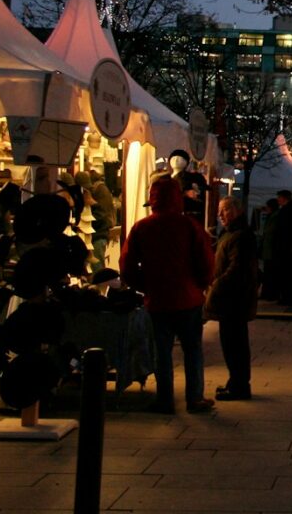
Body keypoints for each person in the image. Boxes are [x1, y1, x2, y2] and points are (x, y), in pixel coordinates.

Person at [122, 177, 217, 414]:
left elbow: (127, 265)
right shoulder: (189, 226)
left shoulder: (142, 227)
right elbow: (206, 261)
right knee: (192, 350)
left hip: (158, 299)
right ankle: (194, 398)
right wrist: (201, 285)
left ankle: (165, 400)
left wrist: (143, 286)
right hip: (188, 298)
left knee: (161, 352)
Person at [205, 196, 260, 401]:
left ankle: (239, 385)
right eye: (220, 211)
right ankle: (236, 382)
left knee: (234, 344)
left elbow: (236, 269)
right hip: (231, 299)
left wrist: (217, 286)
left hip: (233, 300)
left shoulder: (240, 236)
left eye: (225, 210)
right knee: (232, 344)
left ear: (236, 210)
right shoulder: (231, 234)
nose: (220, 215)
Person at [166, 149, 209, 221]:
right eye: (173, 158)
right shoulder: (167, 178)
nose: (176, 160)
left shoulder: (192, 178)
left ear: (186, 162)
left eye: (180, 158)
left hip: (187, 214)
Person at [257, 198, 280, 301]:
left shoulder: (274, 217)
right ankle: (268, 293)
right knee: (269, 273)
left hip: (271, 250)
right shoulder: (274, 216)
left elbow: (269, 232)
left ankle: (269, 294)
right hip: (270, 250)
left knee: (270, 273)